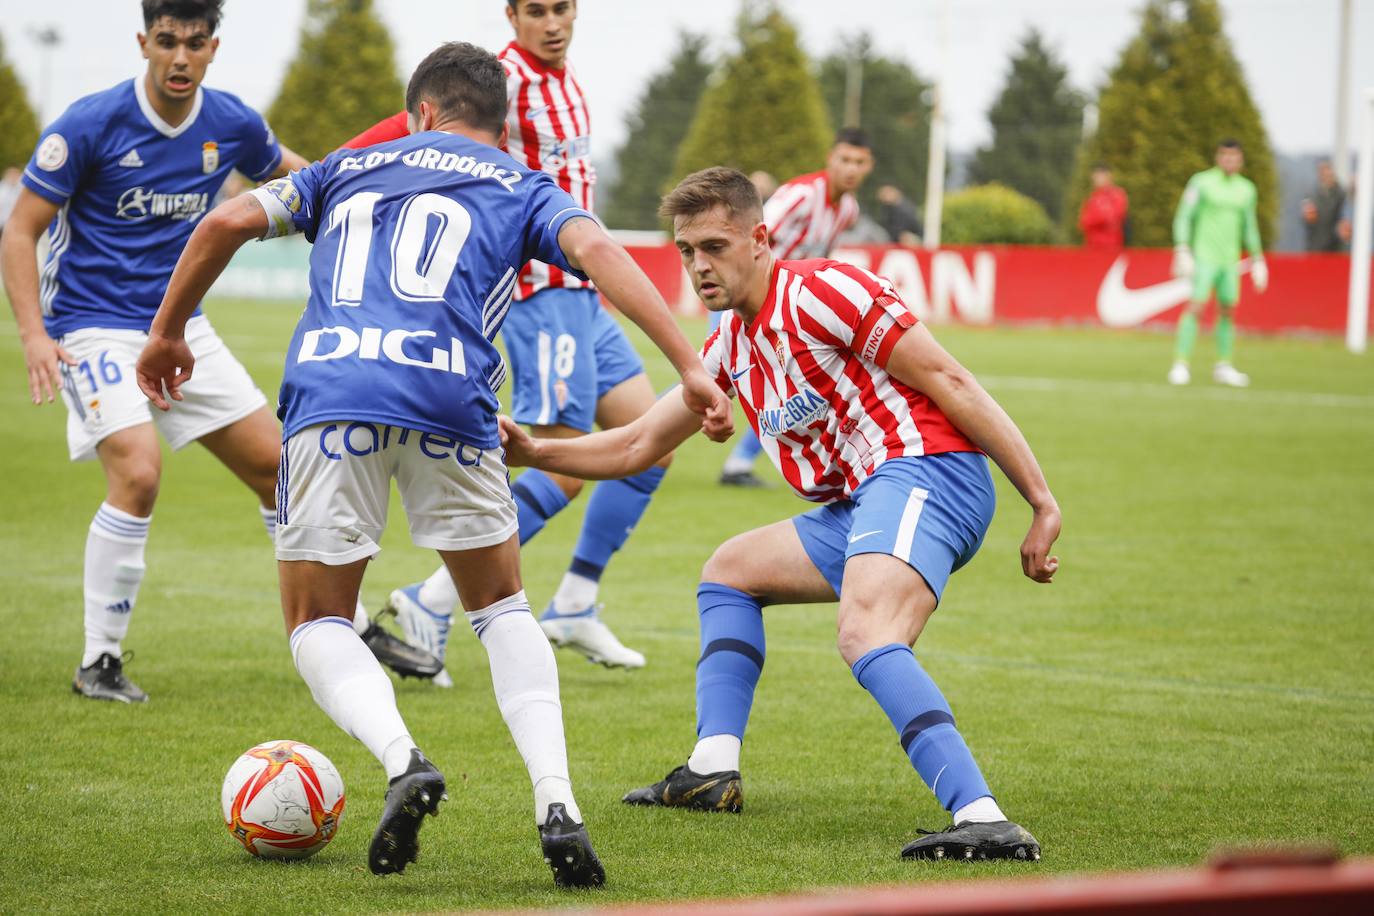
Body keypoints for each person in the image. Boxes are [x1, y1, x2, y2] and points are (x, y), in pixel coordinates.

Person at [136, 41, 730, 884]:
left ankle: (403, 759)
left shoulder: (348, 165)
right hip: (452, 401)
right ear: (502, 126)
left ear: (420, 111)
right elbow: (599, 252)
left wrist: (167, 333)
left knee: (317, 622)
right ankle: (557, 804)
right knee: (501, 607)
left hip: (333, 396)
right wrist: (689, 365)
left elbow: (225, 221)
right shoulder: (522, 181)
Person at [500, 167, 1059, 861]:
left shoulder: (824, 291)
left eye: (715, 246)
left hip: (928, 470)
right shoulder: (729, 346)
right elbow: (639, 443)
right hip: (865, 501)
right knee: (729, 572)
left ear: (760, 239)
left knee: (865, 629)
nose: (699, 266)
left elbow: (951, 379)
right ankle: (711, 768)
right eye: (687, 251)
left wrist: (1040, 501)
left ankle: (982, 816)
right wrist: (534, 451)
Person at [0, 0, 435, 702]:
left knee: (281, 471)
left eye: (195, 43)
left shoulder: (231, 123)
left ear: (213, 49)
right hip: (93, 326)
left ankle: (348, 625)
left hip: (181, 326)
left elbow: (304, 181)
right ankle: (98, 661)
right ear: (144, 42)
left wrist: (386, 188)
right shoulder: (89, 124)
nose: (181, 57)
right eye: (167, 41)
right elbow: (20, 230)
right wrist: (33, 335)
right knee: (138, 472)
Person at [344, 0, 674, 674]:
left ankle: (575, 602)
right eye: (536, 11)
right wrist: (339, 168)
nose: (552, 23)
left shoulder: (567, 76)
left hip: (582, 297)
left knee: (652, 441)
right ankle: (433, 600)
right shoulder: (502, 81)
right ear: (512, 15)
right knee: (562, 462)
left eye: (561, 9)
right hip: (539, 294)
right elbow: (401, 130)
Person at [717, 128, 875, 488]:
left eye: (859, 162)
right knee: (710, 380)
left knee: (791, 388)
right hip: (745, 302)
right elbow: (747, 234)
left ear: (869, 167)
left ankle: (739, 464)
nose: (851, 168)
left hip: (783, 309)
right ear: (830, 159)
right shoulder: (802, 196)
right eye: (845, 159)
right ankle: (641, 428)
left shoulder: (848, 210)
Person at [1168, 139, 1268, 388]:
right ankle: (1181, 363)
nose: (1229, 161)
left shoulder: (1246, 189)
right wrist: (1182, 247)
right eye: (1225, 156)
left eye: (1234, 157)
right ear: (1217, 157)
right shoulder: (1201, 182)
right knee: (1196, 307)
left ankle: (1223, 365)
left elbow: (1249, 226)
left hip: (1230, 261)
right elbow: (1184, 216)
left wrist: (1257, 258)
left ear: (1240, 160)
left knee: (1228, 310)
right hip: (1204, 258)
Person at [1077, 164, 1128, 249]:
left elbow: (1112, 217)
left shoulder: (1116, 195)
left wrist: (1094, 219)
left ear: (1108, 176)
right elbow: (1083, 222)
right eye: (1095, 176)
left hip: (1111, 246)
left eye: (1099, 176)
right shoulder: (1093, 197)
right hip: (1092, 246)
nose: (1095, 179)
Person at [1302, 159, 1346, 253]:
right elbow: (1306, 219)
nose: (1326, 174)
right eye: (1322, 171)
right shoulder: (1311, 194)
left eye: (1327, 170)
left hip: (1335, 247)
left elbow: (1343, 216)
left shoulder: (1340, 194)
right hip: (1315, 246)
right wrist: (1308, 217)